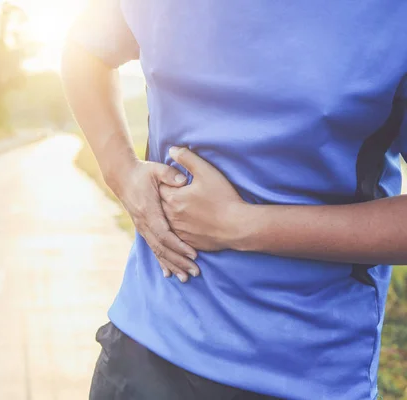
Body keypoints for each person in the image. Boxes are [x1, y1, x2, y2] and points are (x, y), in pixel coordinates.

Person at [61, 1, 407, 399]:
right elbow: (84, 47)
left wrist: (240, 225)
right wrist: (121, 172)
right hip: (143, 348)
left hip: (302, 373)